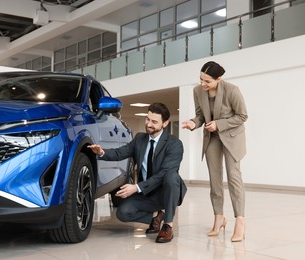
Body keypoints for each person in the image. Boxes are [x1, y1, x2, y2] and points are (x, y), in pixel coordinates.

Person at [88, 102, 186, 243]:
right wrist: (102, 152)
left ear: (165, 123)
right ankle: (155, 219)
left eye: (154, 122)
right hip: (147, 194)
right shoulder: (140, 139)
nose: (148, 124)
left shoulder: (174, 144)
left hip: (166, 192)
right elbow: (120, 152)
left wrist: (136, 187)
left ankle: (168, 226)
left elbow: (164, 173)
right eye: (147, 119)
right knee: (123, 213)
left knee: (171, 176)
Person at [182, 61, 248, 242]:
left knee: (234, 177)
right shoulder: (197, 91)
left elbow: (242, 116)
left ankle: (240, 221)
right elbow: (200, 115)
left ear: (219, 79)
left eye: (207, 81)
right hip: (212, 137)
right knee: (215, 179)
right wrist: (193, 123)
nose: (203, 84)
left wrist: (219, 124)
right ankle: (219, 217)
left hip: (232, 137)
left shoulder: (232, 90)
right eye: (201, 79)